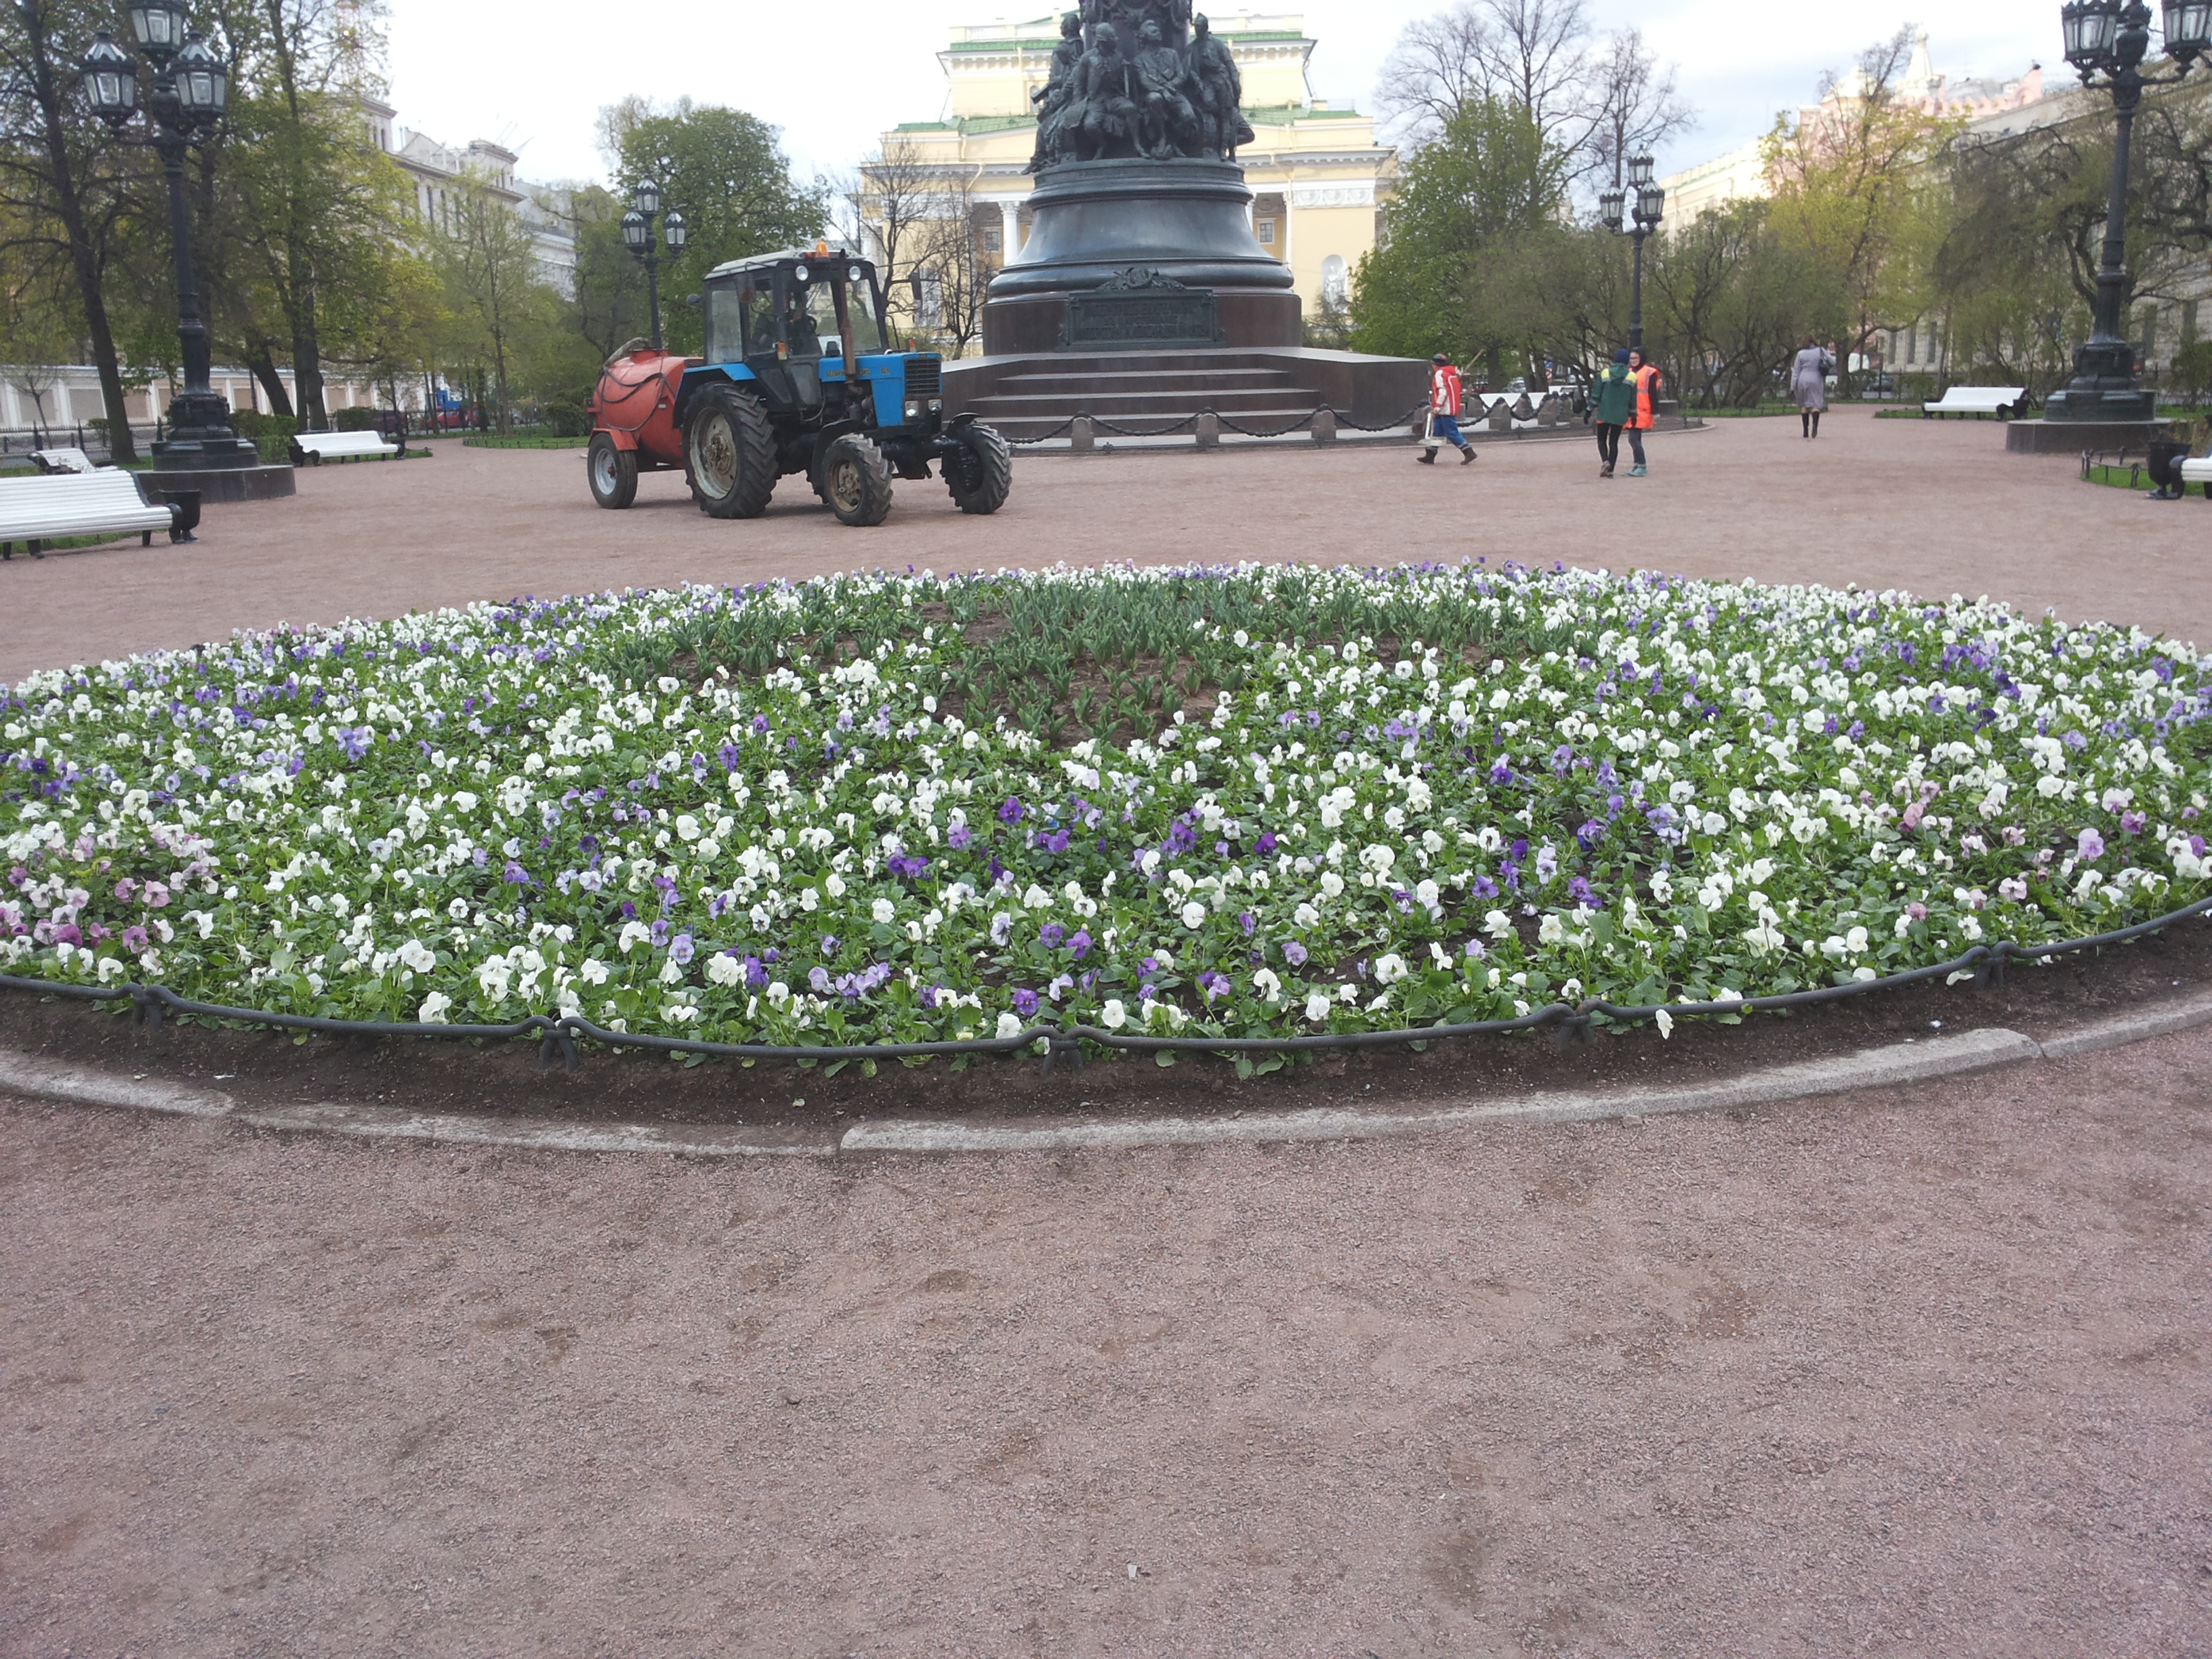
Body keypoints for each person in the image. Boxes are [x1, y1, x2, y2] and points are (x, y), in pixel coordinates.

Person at [1418, 353, 1476, 465]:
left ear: (1437, 365)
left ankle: (1468, 451)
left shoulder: (1440, 374)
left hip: (1445, 408)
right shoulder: (1451, 373)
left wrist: (1438, 407)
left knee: (1451, 432)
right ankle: (1430, 455)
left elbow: (1443, 392)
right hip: (1449, 407)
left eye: (1433, 364)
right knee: (1437, 432)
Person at [1589, 348, 1635, 478]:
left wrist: (1589, 409)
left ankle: (1605, 461)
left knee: (1601, 440)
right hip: (1620, 415)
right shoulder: (1631, 376)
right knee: (1614, 442)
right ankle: (1611, 471)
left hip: (1604, 412)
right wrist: (1633, 415)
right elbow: (1633, 398)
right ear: (1627, 362)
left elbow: (1597, 393)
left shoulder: (1605, 373)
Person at [1624, 346, 1661, 476]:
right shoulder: (1628, 371)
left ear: (1641, 358)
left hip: (1643, 409)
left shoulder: (1649, 372)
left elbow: (1653, 393)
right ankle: (1637, 465)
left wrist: (1655, 411)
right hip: (1632, 410)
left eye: (1636, 358)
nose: (1633, 360)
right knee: (1634, 439)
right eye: (1631, 358)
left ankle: (1642, 465)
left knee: (1633, 439)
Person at [1790, 335, 1837, 438]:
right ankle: (1815, 427)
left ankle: (1805, 431)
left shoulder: (1801, 354)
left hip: (1803, 379)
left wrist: (1793, 387)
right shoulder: (1820, 351)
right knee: (1816, 404)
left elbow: (1796, 372)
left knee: (1804, 405)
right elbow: (1833, 361)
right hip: (1816, 378)